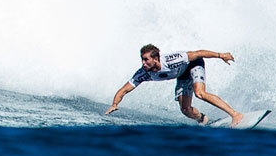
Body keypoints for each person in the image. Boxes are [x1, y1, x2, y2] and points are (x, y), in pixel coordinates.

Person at [103, 43, 244, 127]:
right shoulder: (143, 73)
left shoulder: (171, 60)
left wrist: (221, 55)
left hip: (193, 65)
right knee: (185, 109)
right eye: (142, 60)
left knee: (200, 93)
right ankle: (203, 119)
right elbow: (124, 90)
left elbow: (197, 53)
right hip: (182, 76)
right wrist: (115, 104)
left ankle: (235, 114)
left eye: (146, 60)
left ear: (156, 58)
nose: (143, 63)